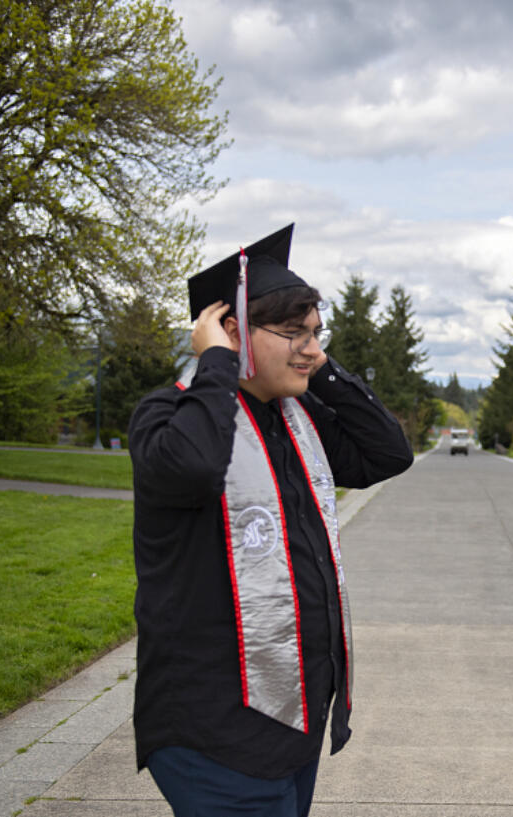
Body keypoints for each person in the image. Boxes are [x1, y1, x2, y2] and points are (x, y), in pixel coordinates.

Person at [129, 223, 413, 817]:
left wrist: (318, 366)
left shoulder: (296, 417)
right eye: (294, 334)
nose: (313, 348)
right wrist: (215, 362)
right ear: (234, 333)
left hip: (291, 722)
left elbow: (388, 453)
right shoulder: (168, 415)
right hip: (214, 730)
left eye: (317, 332)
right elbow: (196, 467)